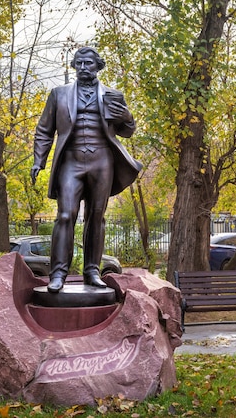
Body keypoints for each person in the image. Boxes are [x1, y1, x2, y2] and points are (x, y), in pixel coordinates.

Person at [31, 47, 142, 293]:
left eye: (88, 63)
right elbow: (44, 130)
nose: (83, 68)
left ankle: (92, 270)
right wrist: (39, 160)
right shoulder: (58, 94)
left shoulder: (113, 95)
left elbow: (127, 130)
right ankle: (58, 273)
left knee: (96, 215)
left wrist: (127, 115)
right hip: (70, 161)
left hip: (102, 160)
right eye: (79, 63)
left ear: (98, 66)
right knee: (65, 215)